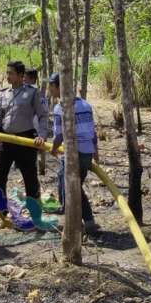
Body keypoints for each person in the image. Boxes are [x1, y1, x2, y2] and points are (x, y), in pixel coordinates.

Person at [47, 72, 100, 236]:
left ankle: (74, 225)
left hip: (72, 155)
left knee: (69, 190)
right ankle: (89, 222)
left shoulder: (59, 108)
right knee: (75, 187)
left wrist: (54, 149)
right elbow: (93, 132)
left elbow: (59, 135)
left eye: (52, 86)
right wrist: (96, 153)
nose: (50, 90)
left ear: (59, 87)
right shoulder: (85, 105)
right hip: (86, 154)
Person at [0, 60, 48, 203]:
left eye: (11, 73)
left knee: (30, 177)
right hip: (5, 139)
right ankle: (1, 211)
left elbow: (43, 115)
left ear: (21, 75)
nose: (8, 76)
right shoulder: (3, 94)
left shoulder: (32, 93)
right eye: (7, 73)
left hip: (25, 139)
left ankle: (35, 214)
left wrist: (42, 136)